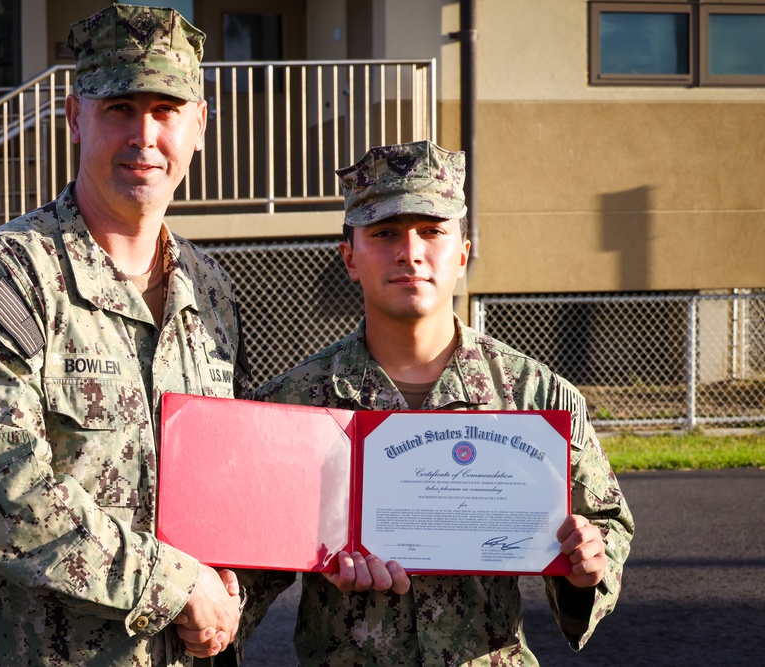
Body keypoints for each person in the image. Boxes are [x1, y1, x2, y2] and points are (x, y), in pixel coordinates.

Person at [0, 5, 249, 665]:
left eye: (166, 110)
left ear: (199, 125)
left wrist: (234, 583)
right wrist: (179, 584)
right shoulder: (3, 281)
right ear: (75, 117)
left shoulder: (209, 290)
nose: (145, 136)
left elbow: (222, 475)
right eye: (120, 108)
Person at [240, 140, 635, 665]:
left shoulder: (534, 398)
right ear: (349, 257)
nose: (410, 251)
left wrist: (589, 563)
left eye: (432, 231)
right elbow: (241, 568)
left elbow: (606, 521)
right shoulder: (295, 407)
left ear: (463, 252)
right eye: (384, 233)